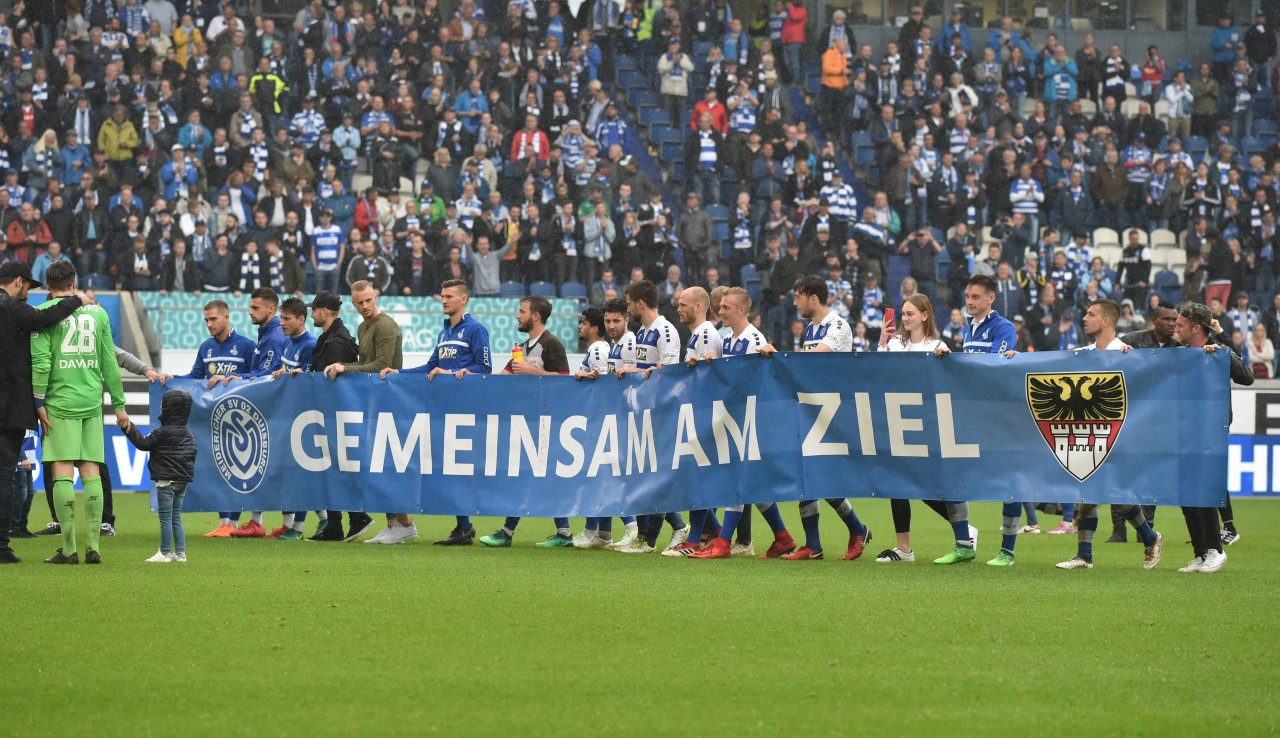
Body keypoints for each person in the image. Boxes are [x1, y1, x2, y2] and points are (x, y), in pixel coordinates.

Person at [761, 276, 875, 561]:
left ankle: (852, 531)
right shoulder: (811, 329)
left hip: (834, 411)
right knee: (808, 474)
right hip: (812, 409)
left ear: (813, 297)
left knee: (819, 476)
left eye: (799, 296)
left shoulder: (837, 325)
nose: (795, 302)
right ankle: (822, 542)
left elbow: (813, 361)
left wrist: (780, 356)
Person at [31, 261, 130, 565]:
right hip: (90, 402)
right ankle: (94, 547)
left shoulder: (46, 316)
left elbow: (42, 362)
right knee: (91, 473)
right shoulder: (98, 314)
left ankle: (69, 549)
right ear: (74, 283)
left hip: (60, 404)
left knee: (61, 473)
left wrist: (38, 402)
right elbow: (109, 362)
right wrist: (119, 404)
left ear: (49, 287)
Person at [1054, 299, 1163, 571]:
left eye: (1091, 314)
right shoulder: (1084, 353)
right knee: (1090, 493)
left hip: (1121, 435)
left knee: (1114, 494)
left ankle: (1148, 538)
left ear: (1105, 321)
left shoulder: (1125, 353)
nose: (1084, 318)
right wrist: (1015, 359)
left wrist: (1132, 361)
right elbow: (1049, 366)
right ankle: (1086, 555)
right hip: (1091, 432)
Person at [689, 287, 798, 559]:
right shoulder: (728, 339)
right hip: (735, 417)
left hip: (750, 418)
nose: (720, 311)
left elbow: (755, 379)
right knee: (750, 481)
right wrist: (712, 363)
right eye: (720, 307)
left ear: (741, 310)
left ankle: (723, 542)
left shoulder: (754, 339)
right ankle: (782, 537)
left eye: (726, 307)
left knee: (736, 476)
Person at [381, 279, 491, 545]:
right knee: (448, 469)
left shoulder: (476, 330)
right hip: (443, 410)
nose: (444, 300)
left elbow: (485, 368)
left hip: (464, 411)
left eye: (449, 296)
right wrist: (400, 373)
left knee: (458, 470)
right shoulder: (444, 333)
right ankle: (463, 527)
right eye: (442, 295)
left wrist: (452, 373)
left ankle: (464, 527)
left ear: (464, 299)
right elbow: (431, 366)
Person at [875, 292, 976, 564]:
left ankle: (964, 529)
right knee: (898, 483)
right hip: (898, 420)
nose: (905, 318)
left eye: (910, 314)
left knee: (925, 485)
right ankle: (904, 549)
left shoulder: (937, 345)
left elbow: (951, 381)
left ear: (924, 315)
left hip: (928, 424)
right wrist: (882, 342)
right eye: (903, 313)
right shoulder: (895, 343)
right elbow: (877, 373)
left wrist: (946, 358)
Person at [0, 262, 85, 564]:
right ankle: (1, 546)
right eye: (27, 288)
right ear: (18, 281)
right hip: (8, 408)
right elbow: (43, 318)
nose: (27, 294)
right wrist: (75, 300)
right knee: (4, 475)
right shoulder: (11, 307)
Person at [939, 274, 1020, 566]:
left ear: (990, 299)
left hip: (999, 417)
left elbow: (993, 367)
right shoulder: (968, 329)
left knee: (1010, 483)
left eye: (975, 297)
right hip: (972, 414)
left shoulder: (1003, 328)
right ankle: (963, 545)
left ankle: (1007, 552)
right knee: (952, 477)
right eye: (967, 296)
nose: (969, 302)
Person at [479, 295, 572, 548]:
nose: (517, 315)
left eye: (521, 311)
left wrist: (534, 373)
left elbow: (564, 382)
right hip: (529, 422)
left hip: (547, 423)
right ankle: (562, 533)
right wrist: (469, 376)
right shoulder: (522, 347)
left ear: (536, 316)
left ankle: (508, 533)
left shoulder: (552, 344)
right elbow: (502, 376)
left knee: (530, 475)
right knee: (535, 475)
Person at [1172, 303, 1254, 573]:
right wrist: (1127, 351)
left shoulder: (1220, 352)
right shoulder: (1178, 354)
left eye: (1181, 324)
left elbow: (1247, 377)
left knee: (1203, 490)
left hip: (1209, 431)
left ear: (1196, 328)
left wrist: (1222, 353)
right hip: (1183, 429)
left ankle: (1215, 551)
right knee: (1186, 493)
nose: (1176, 328)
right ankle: (1200, 552)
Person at [323, 280, 406, 543]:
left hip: (389, 403)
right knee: (379, 468)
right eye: (359, 302)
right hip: (375, 404)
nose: (365, 306)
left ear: (376, 296)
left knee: (386, 468)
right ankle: (397, 524)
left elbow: (382, 363)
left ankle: (400, 524)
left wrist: (344, 368)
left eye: (368, 300)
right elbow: (365, 363)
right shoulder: (362, 327)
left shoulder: (385, 326)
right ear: (353, 303)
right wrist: (344, 365)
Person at [208, 287, 289, 539]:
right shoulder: (265, 335)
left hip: (271, 411)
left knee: (267, 466)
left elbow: (264, 375)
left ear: (271, 309)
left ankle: (290, 524)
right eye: (250, 306)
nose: (250, 311)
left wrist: (235, 377)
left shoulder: (274, 337)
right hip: (266, 410)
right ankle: (257, 521)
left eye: (255, 307)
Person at [616, 280, 689, 554]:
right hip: (644, 413)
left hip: (662, 413)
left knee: (656, 476)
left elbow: (669, 369)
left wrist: (655, 371)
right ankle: (658, 534)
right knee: (646, 475)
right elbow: (645, 366)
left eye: (629, 304)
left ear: (640, 303)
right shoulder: (643, 332)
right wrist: (629, 369)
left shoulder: (665, 330)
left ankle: (654, 537)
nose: (628, 309)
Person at [664, 286, 725, 556]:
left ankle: (695, 540)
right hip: (695, 413)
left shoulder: (707, 334)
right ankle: (715, 532)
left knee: (696, 477)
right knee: (692, 476)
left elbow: (711, 378)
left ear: (699, 307)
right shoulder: (697, 335)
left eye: (684, 304)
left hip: (705, 414)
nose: (679, 309)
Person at [572, 306, 627, 548]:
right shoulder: (603, 348)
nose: (580, 327)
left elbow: (606, 383)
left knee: (604, 476)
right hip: (605, 420)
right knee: (603, 476)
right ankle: (602, 533)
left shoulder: (598, 349)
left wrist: (587, 377)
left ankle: (634, 526)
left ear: (594, 328)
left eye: (583, 323)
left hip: (604, 421)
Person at [263, 298, 318, 540]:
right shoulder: (287, 343)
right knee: (290, 473)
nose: (281, 323)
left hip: (303, 419)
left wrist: (297, 375)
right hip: (287, 417)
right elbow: (277, 370)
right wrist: (278, 374)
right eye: (281, 318)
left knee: (301, 473)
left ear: (301, 319)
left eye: (286, 319)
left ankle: (298, 528)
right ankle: (292, 526)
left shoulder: (309, 345)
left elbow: (309, 380)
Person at [126, 390, 196, 563]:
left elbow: (143, 444)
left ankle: (164, 553)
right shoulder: (189, 434)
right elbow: (192, 455)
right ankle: (180, 554)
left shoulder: (162, 432)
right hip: (183, 481)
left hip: (166, 480)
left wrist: (128, 428)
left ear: (167, 409)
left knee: (165, 517)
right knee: (176, 516)